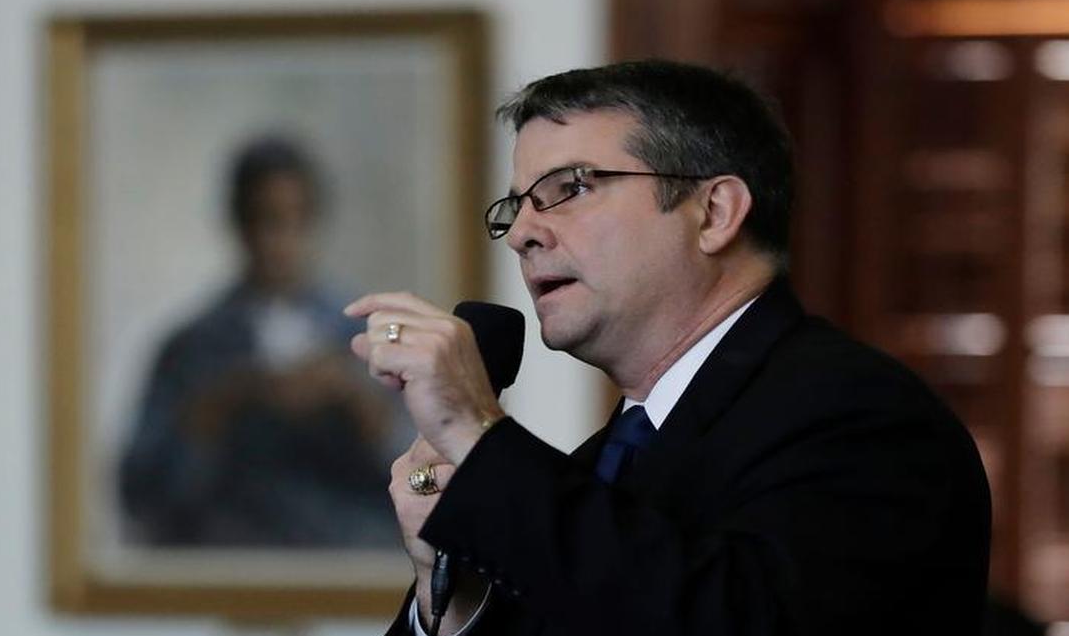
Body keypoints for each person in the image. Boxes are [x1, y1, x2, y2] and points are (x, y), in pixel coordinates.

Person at [345, 60, 991, 635]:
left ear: (714, 212)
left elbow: (719, 615)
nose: (520, 233)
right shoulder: (608, 458)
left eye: (568, 187)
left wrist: (475, 429)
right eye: (515, 205)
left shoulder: (862, 418)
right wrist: (456, 599)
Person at [119, 136, 400, 547]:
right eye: (263, 220)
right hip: (229, 568)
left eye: (295, 219)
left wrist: (360, 404)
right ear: (238, 223)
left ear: (315, 222)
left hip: (350, 576)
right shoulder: (190, 349)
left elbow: (431, 484)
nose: (279, 241)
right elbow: (139, 498)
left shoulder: (367, 336)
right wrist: (218, 405)